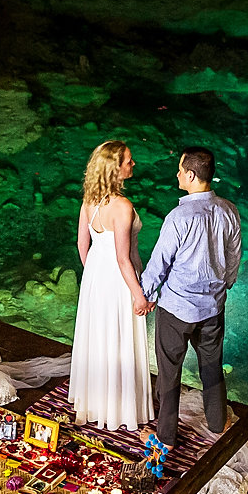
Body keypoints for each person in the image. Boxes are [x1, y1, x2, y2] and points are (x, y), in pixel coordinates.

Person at [141, 146, 241, 448]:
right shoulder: (229, 210)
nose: (177, 174)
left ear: (192, 175)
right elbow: (234, 255)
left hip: (176, 308)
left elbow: (160, 262)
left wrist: (144, 294)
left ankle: (166, 437)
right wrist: (226, 284)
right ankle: (215, 421)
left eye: (180, 169)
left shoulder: (179, 216)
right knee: (212, 364)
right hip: (212, 307)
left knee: (169, 370)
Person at [69, 140, 154, 431]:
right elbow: (123, 258)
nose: (133, 164)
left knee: (99, 338)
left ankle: (96, 401)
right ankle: (120, 408)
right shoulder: (122, 206)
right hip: (119, 280)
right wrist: (139, 296)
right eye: (128, 161)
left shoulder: (88, 201)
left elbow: (83, 244)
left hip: (96, 277)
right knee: (118, 339)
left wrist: (93, 274)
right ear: (115, 168)